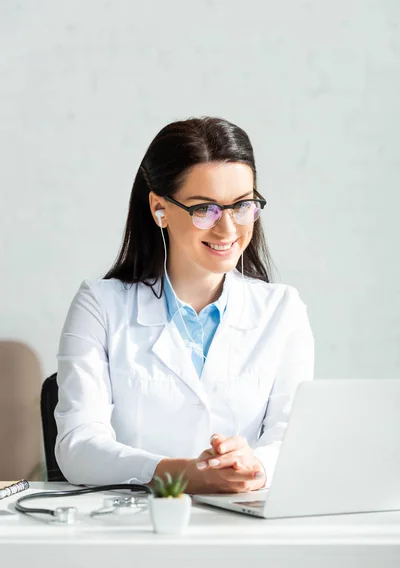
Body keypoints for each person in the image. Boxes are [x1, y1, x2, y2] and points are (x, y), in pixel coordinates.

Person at [55, 116, 314, 493]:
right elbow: (78, 447)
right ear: (160, 209)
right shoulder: (100, 305)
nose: (227, 229)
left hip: (245, 528)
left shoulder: (283, 311)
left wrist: (253, 464)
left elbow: (292, 440)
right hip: (132, 527)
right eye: (204, 209)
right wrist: (180, 473)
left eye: (242, 206)